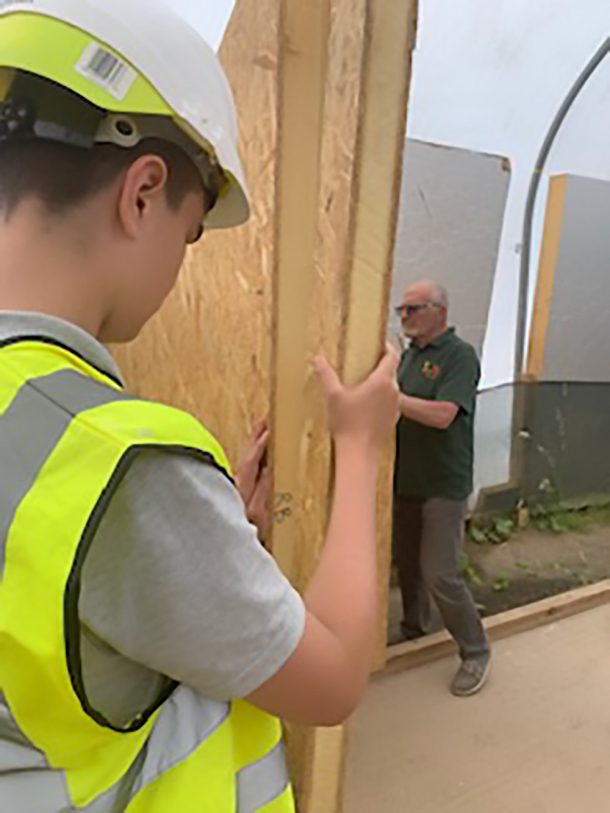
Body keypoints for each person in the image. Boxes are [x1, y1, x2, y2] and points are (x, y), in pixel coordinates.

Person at [0, 3, 399, 811]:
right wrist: (360, 447)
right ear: (144, 192)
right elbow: (332, 680)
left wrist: (213, 539)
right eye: (189, 235)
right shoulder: (116, 463)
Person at [393, 279, 490, 697]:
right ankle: (414, 631)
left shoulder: (458, 356)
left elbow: (444, 415)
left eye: (414, 308)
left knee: (440, 574)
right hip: (406, 481)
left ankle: (475, 651)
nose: (406, 316)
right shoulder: (408, 357)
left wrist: (391, 399)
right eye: (402, 310)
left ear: (441, 312)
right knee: (408, 567)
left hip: (443, 484)